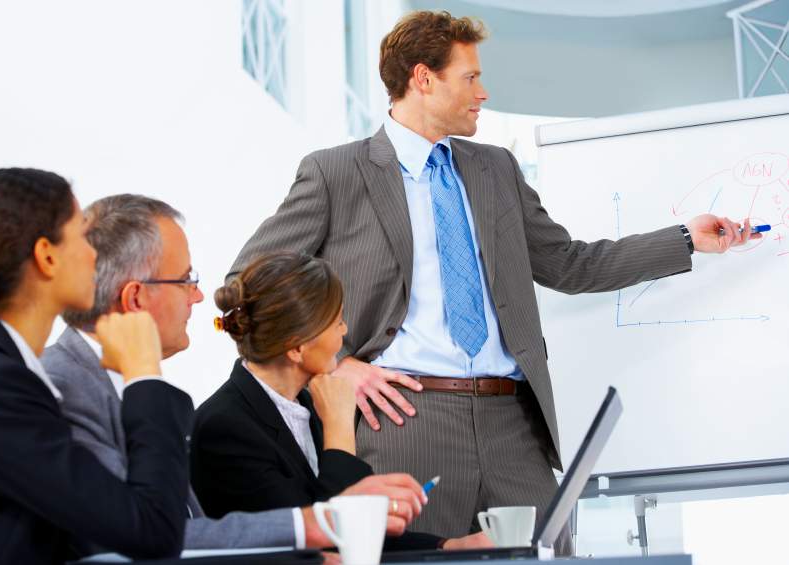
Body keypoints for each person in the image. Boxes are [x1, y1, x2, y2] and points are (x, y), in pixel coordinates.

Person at [228, 10, 759, 553]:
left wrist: (686, 239)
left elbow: (569, 264)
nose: (483, 93)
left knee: (549, 555)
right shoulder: (337, 173)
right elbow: (249, 282)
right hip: (405, 421)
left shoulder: (496, 169)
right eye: (471, 77)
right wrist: (341, 368)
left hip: (513, 422)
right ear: (423, 78)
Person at [43, 194, 428, 553]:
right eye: (185, 280)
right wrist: (319, 525)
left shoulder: (123, 386)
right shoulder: (62, 388)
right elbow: (141, 532)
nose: (197, 296)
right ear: (136, 298)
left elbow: (186, 528)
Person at [0, 169, 193, 565]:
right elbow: (152, 530)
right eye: (80, 235)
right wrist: (143, 373)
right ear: (47, 255)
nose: (94, 254)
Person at [192, 251, 491, 552]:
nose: (345, 331)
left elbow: (357, 526)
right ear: (297, 347)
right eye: (337, 321)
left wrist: (448, 545)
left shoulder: (305, 403)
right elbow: (328, 538)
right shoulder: (226, 428)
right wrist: (339, 430)